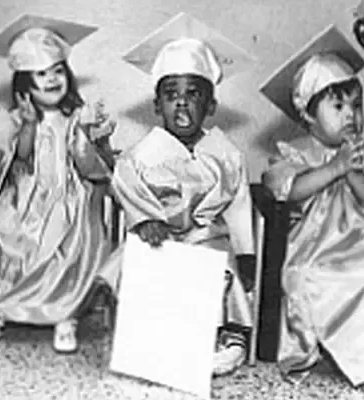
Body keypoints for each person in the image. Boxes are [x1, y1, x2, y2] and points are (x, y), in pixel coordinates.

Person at [260, 25, 364, 386]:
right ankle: (334, 353)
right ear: (308, 115)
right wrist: (334, 168)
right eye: (338, 106)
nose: (351, 115)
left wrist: (353, 172)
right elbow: (288, 190)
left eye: (356, 106)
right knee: (306, 282)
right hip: (316, 254)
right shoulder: (295, 154)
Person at [110, 12, 258, 376]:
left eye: (193, 94)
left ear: (210, 106)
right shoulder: (140, 156)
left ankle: (228, 338)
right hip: (161, 237)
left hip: (207, 238)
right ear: (156, 105)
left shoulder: (227, 155)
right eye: (171, 94)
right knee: (150, 271)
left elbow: (239, 206)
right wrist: (145, 220)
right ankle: (162, 345)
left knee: (222, 269)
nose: (181, 103)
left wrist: (246, 253)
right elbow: (125, 187)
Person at [0, 14, 118, 354]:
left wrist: (93, 135)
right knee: (3, 232)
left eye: (58, 71)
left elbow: (89, 163)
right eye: (41, 74)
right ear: (24, 86)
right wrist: (29, 124)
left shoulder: (76, 117)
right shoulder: (13, 120)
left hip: (68, 198)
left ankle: (64, 314)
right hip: (25, 196)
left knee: (70, 242)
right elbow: (19, 158)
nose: (52, 79)